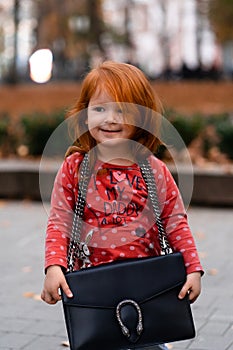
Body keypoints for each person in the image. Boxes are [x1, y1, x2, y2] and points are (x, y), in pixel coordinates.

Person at [41, 61, 203, 350]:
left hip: (149, 287)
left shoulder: (153, 169)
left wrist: (192, 268)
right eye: (99, 109)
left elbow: (175, 221)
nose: (110, 119)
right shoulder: (75, 168)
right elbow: (59, 222)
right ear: (84, 113)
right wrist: (54, 266)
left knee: (148, 343)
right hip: (94, 289)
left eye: (122, 110)